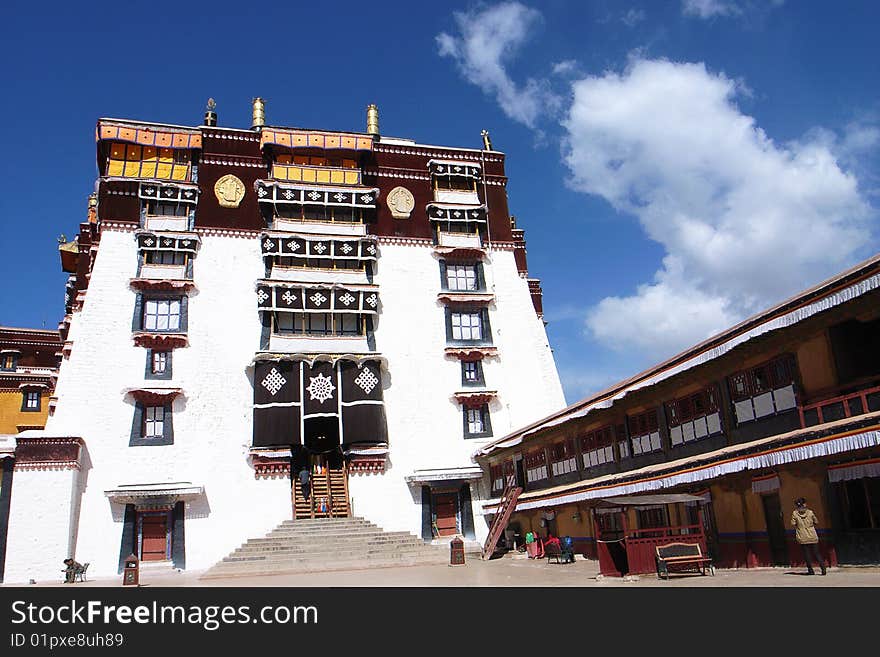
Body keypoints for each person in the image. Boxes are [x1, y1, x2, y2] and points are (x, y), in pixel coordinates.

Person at [791, 497, 825, 575]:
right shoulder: (810, 512)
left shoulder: (795, 513)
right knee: (816, 553)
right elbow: (816, 521)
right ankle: (823, 567)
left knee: (807, 554)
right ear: (804, 504)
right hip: (812, 535)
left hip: (802, 536)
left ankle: (810, 570)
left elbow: (793, 523)